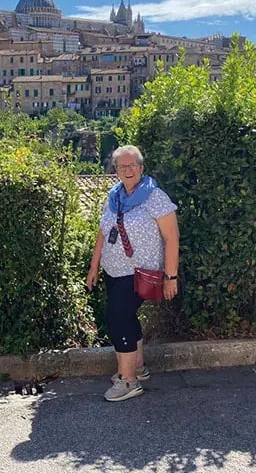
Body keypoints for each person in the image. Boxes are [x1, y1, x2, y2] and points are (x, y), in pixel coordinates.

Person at [86, 145, 180, 402]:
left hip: (140, 271)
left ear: (141, 167)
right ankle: (137, 367)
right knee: (126, 316)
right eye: (121, 166)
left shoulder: (154, 196)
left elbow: (172, 238)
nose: (127, 170)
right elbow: (103, 232)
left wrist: (171, 277)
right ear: (115, 170)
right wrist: (94, 266)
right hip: (113, 271)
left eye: (132, 165)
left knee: (118, 318)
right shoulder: (114, 196)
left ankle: (128, 380)